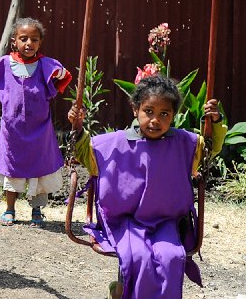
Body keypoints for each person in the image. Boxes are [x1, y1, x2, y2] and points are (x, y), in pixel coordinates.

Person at [68, 75, 226, 299]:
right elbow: (84, 153)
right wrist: (77, 126)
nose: (155, 120)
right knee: (137, 257)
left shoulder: (184, 144)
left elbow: (211, 148)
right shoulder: (114, 143)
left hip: (166, 221)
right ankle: (122, 293)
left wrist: (215, 122)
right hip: (126, 221)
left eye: (164, 114)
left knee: (171, 257)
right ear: (135, 109)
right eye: (149, 111)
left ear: (173, 116)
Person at [0, 17, 71, 227]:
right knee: (11, 169)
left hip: (40, 129)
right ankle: (10, 209)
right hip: (12, 130)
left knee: (38, 170)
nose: (29, 43)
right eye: (23, 39)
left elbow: (64, 76)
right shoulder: (4, 64)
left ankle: (36, 209)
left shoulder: (45, 66)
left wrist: (55, 74)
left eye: (34, 39)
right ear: (14, 41)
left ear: (40, 43)